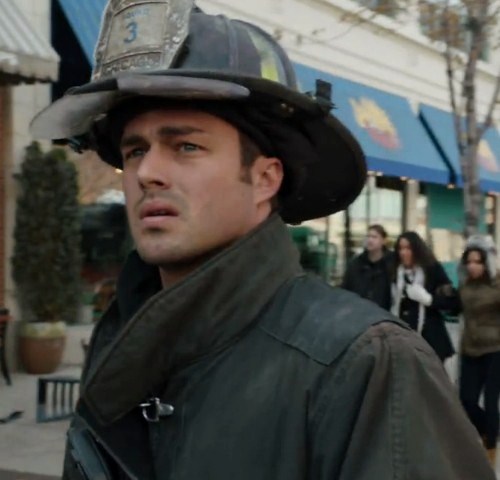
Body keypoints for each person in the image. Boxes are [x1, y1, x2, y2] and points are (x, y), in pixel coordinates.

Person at [31, 2, 494, 479]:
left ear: (264, 179)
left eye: (186, 146)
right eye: (135, 150)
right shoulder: (123, 342)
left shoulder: (367, 363)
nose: (147, 171)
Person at [458, 235, 500, 465]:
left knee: (491, 401)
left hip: (494, 349)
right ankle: (491, 428)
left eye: (478, 261)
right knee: (466, 400)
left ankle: (491, 447)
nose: (473, 266)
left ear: (487, 262)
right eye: (469, 261)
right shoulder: (465, 284)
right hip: (470, 349)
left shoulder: (497, 283)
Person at [391, 231, 455, 362]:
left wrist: (428, 299)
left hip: (430, 338)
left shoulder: (432, 269)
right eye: (400, 249)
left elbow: (452, 302)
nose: (403, 253)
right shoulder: (394, 272)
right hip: (402, 338)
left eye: (408, 248)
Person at [342, 224, 393, 309]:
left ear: (383, 241)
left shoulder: (391, 263)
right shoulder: (356, 264)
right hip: (359, 311)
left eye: (374, 237)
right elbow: (346, 289)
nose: (370, 240)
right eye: (368, 236)